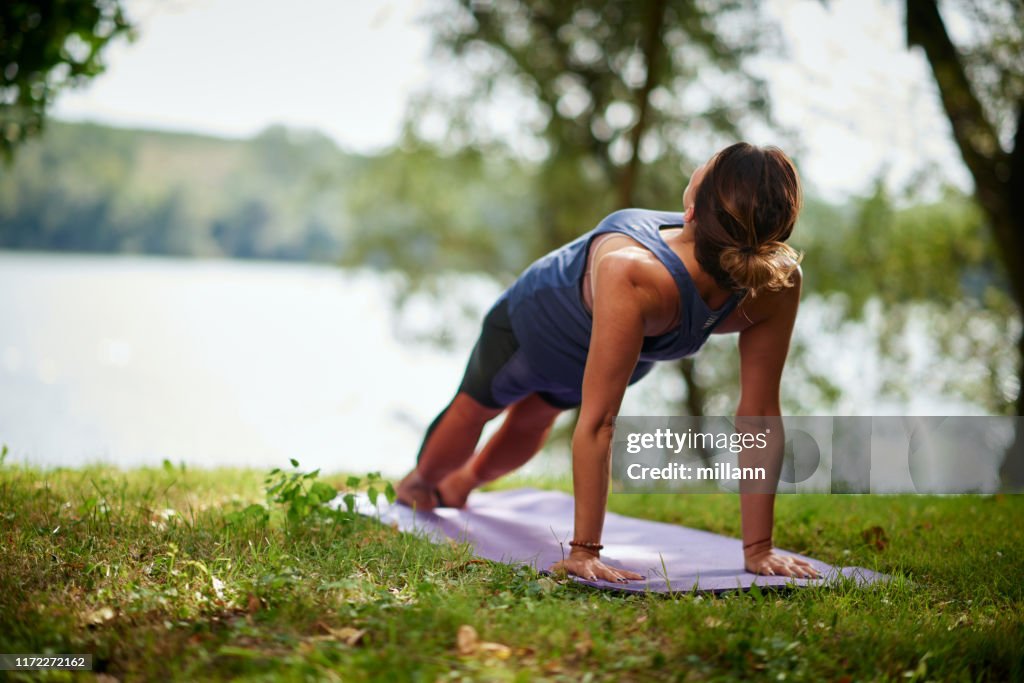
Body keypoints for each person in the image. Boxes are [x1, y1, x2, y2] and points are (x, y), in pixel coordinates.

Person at [396, 142, 821, 583]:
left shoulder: (774, 282)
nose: (695, 166)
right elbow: (599, 423)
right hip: (530, 331)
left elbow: (760, 416)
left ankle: (461, 486)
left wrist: (759, 550)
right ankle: (418, 483)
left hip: (613, 351)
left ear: (693, 209)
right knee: (475, 411)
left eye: (703, 166)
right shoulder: (634, 270)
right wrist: (584, 552)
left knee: (530, 425)